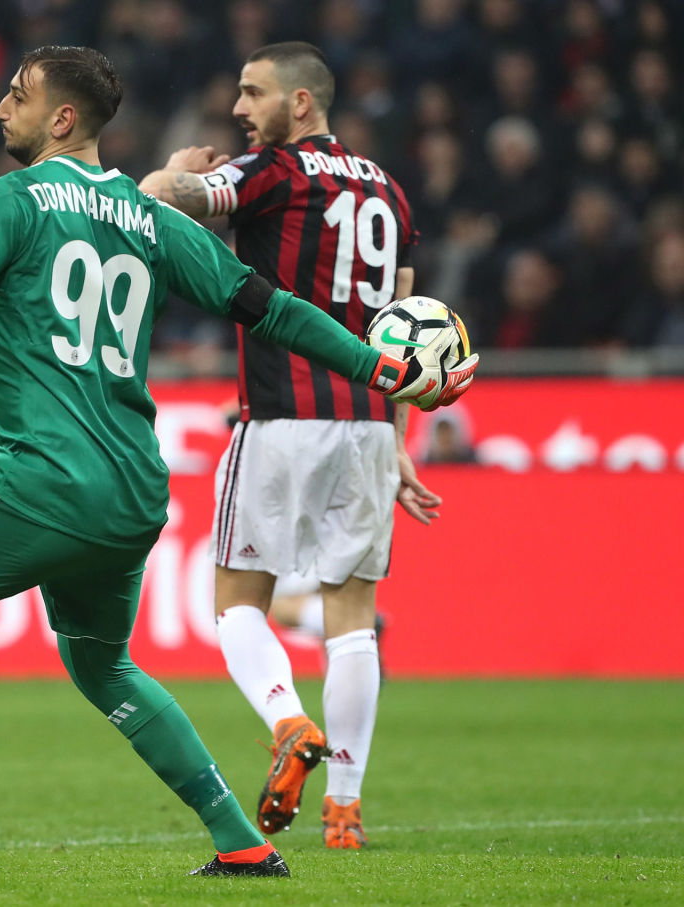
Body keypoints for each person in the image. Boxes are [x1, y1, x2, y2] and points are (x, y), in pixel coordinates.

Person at [0, 45, 475, 890]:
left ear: (61, 118)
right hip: (131, 494)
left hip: (41, 480)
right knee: (102, 663)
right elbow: (271, 308)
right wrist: (377, 366)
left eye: (17, 96)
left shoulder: (11, 200)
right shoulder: (151, 219)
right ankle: (242, 843)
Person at [139, 41, 455, 850]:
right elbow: (402, 323)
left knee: (236, 604)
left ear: (301, 102)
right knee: (353, 620)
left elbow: (159, 201)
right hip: (369, 426)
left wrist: (172, 170)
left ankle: (288, 720)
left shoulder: (272, 171)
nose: (239, 109)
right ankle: (345, 810)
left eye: (253, 92)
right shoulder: (389, 191)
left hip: (281, 416)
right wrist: (400, 441)